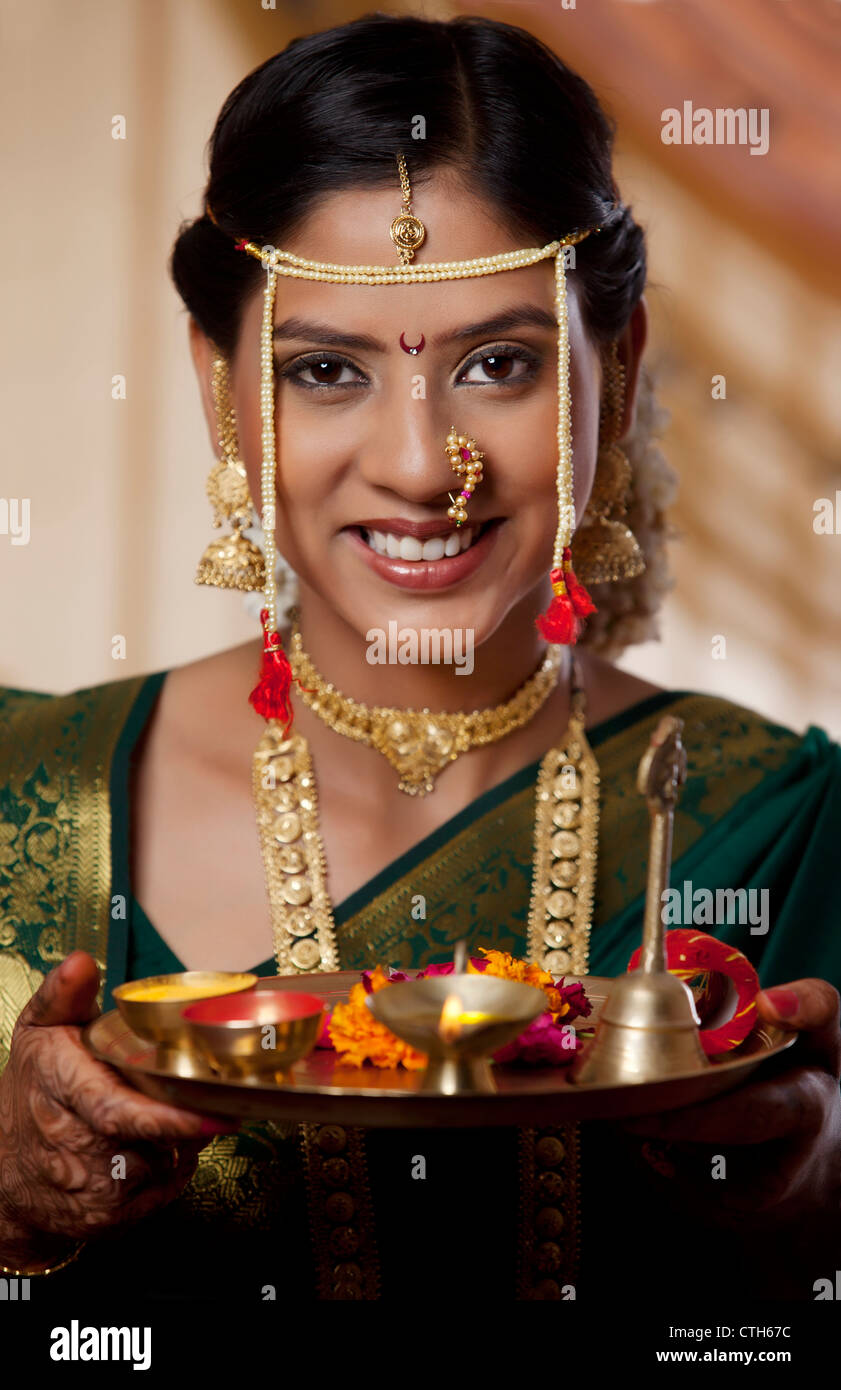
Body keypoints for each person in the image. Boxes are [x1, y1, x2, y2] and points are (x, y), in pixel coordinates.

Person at [1, 13, 839, 1302]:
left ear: (618, 368)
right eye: (326, 369)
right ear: (223, 386)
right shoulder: (23, 800)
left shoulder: (775, 822)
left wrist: (816, 1200)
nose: (415, 466)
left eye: (498, 364)